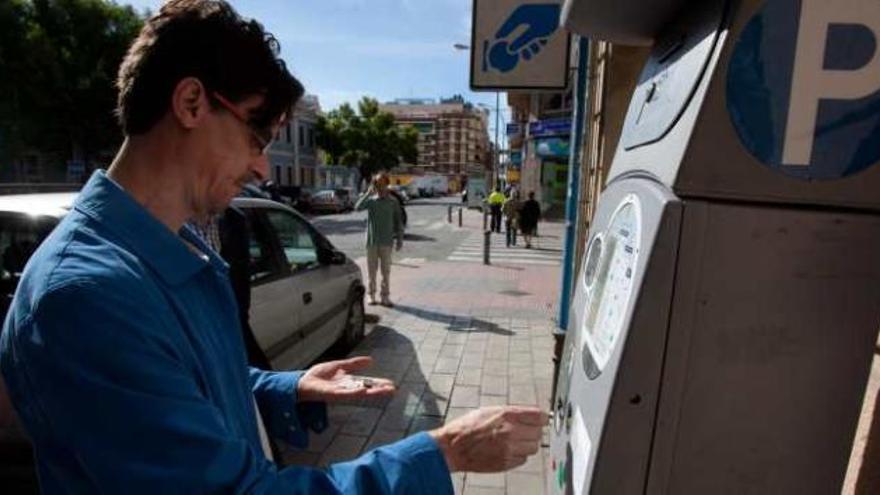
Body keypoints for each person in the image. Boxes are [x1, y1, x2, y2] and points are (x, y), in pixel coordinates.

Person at [0, 1, 546, 493]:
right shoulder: (88, 296)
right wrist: (441, 452)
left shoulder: (171, 245)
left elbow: (187, 388)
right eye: (256, 137)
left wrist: (288, 387)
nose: (263, 166)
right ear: (191, 102)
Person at [355, 172, 403, 307]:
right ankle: (371, 295)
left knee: (386, 272)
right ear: (375, 186)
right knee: (371, 271)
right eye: (378, 184)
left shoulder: (393, 202)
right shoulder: (371, 201)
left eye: (383, 184)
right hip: (372, 241)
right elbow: (357, 207)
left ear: (387, 184)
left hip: (387, 241)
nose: (381, 187)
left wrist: (399, 239)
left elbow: (398, 221)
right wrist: (367, 194)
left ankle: (385, 296)